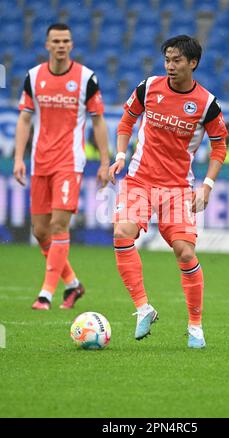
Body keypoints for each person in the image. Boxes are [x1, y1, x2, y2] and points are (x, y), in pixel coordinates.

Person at [109, 35, 227, 349]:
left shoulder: (206, 104)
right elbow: (126, 121)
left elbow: (219, 146)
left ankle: (195, 327)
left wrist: (207, 185)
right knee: (122, 232)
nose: (170, 66)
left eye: (177, 61)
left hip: (177, 188)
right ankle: (143, 308)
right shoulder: (148, 87)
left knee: (185, 252)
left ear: (193, 63)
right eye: (167, 60)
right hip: (139, 180)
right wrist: (120, 156)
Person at [14, 23, 110, 310]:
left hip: (70, 161)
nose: (60, 45)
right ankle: (73, 284)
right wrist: (19, 157)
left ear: (71, 44)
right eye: (55, 41)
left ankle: (46, 293)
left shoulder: (85, 78)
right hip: (39, 161)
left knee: (58, 224)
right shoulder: (33, 77)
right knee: (40, 231)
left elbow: (98, 121)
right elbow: (25, 119)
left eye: (66, 40)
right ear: (46, 45)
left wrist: (105, 161)